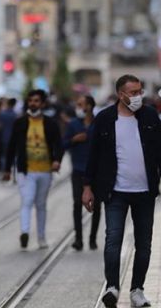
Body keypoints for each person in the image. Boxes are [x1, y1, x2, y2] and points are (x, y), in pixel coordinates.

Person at [82, 74, 161, 308]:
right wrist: (87, 187)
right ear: (120, 94)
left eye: (139, 91)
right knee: (113, 239)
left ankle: (137, 290)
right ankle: (112, 286)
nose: (137, 97)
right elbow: (92, 155)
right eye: (133, 93)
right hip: (115, 191)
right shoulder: (104, 119)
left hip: (145, 191)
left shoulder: (150, 116)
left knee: (144, 243)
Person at [3, 89, 63, 250]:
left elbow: (59, 145)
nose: (33, 103)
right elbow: (11, 146)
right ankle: (24, 232)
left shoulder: (51, 124)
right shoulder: (20, 122)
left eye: (36, 101)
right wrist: (7, 169)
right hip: (25, 170)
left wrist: (57, 160)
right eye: (30, 101)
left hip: (45, 170)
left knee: (41, 204)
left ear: (42, 103)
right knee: (27, 200)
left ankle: (42, 238)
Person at [63, 95, 100, 251]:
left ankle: (92, 238)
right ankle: (78, 238)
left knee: (97, 205)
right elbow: (63, 144)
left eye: (81, 104)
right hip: (78, 170)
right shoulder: (73, 124)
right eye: (77, 104)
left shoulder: (98, 123)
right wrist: (74, 140)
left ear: (90, 106)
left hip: (97, 171)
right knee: (77, 203)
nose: (78, 107)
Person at [0, 98, 17, 177]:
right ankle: (14, 173)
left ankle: (4, 171)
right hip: (13, 138)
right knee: (14, 155)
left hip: (4, 137)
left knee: (4, 155)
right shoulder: (15, 115)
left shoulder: (2, 114)